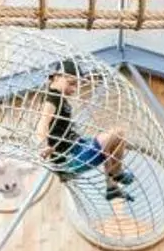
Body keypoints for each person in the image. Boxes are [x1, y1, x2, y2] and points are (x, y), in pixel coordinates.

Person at [40, 66, 133, 203]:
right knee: (118, 133)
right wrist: (44, 145)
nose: (73, 89)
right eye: (71, 83)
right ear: (57, 77)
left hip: (77, 147)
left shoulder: (60, 98)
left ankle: (112, 187)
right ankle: (117, 173)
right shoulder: (52, 97)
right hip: (70, 158)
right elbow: (43, 123)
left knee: (113, 141)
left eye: (76, 85)